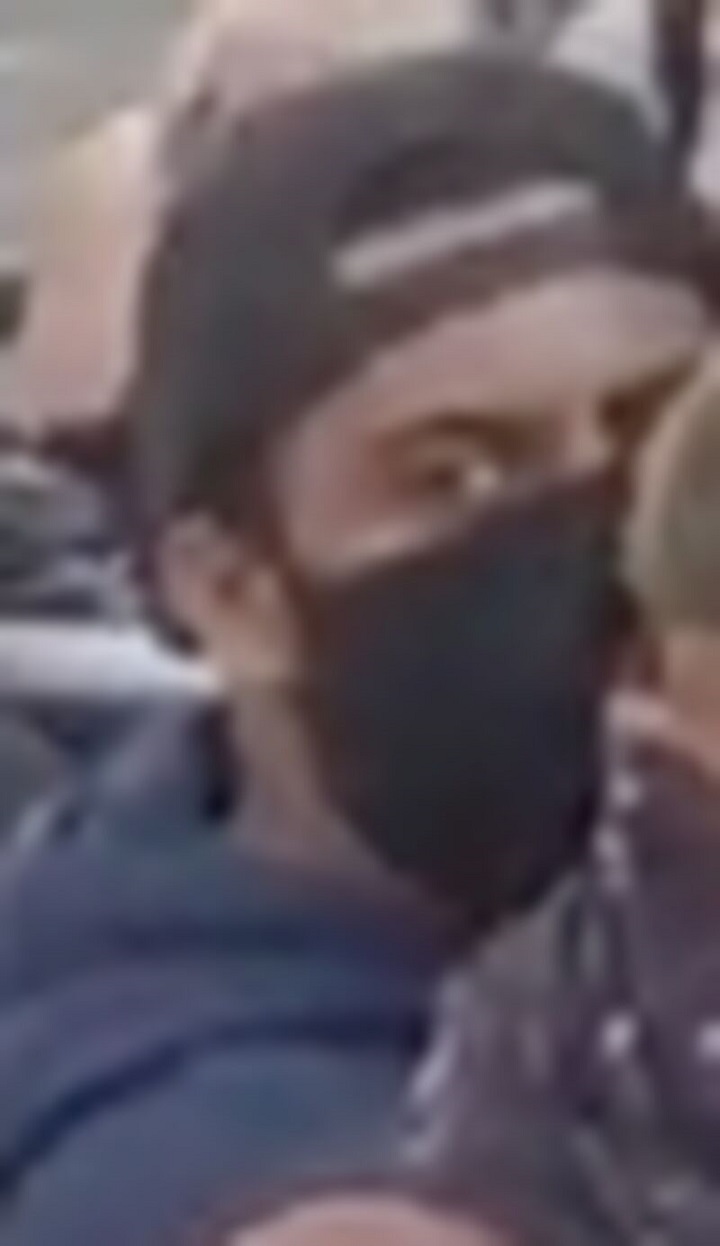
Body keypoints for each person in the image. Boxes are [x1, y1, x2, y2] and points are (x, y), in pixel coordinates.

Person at [0, 46, 715, 1246]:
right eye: (456, 474)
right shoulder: (180, 1140)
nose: (597, 533)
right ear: (231, 594)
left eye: (651, 433)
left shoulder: (633, 932)